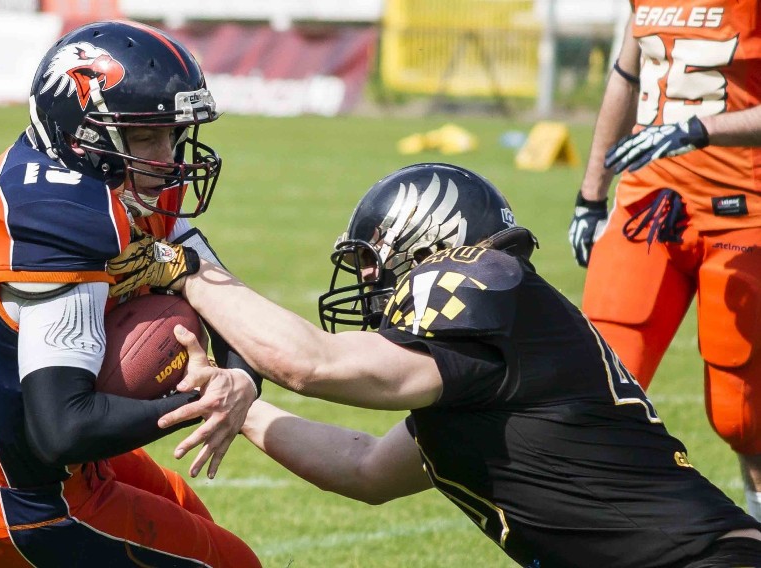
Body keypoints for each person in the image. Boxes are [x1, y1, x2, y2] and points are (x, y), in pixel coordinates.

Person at [111, 163, 761, 567]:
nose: (365, 282)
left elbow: (314, 364)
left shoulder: (482, 277)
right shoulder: (492, 354)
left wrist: (193, 269)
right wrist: (239, 403)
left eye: (370, 262)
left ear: (429, 240)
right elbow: (364, 469)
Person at [0, 20, 261, 567]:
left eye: (172, 133)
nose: (169, 155)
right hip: (26, 501)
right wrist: (202, 402)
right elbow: (64, 428)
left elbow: (220, 294)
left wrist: (240, 377)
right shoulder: (62, 219)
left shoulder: (105, 178)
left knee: (188, 511)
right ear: (84, 133)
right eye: (146, 135)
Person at [567, 1, 761, 523]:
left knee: (743, 417)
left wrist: (700, 130)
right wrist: (591, 196)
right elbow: (626, 77)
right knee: (592, 392)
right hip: (649, 208)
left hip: (745, 213)